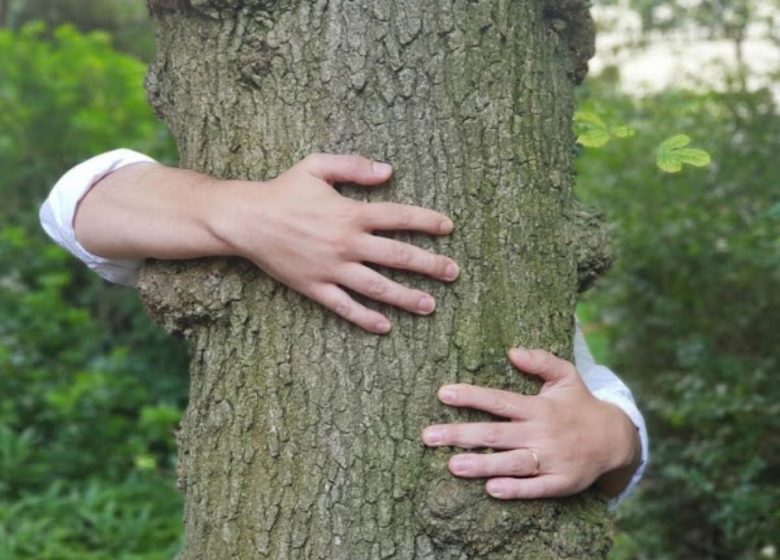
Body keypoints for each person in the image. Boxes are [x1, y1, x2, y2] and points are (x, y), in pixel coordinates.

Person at [40, 148, 648, 506]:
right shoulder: (217, 225)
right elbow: (77, 205)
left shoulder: (525, 252)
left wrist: (615, 440)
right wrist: (240, 212)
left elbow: (598, 397)